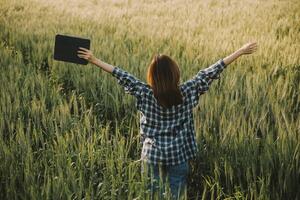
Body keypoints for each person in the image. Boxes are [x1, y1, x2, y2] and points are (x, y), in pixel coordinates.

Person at [77, 42, 258, 199]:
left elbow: (120, 74)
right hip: (178, 156)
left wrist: (94, 60)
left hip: (151, 156)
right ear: (175, 74)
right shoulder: (188, 91)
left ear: (152, 76)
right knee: (177, 195)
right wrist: (240, 51)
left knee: (151, 194)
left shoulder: (144, 93)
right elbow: (211, 71)